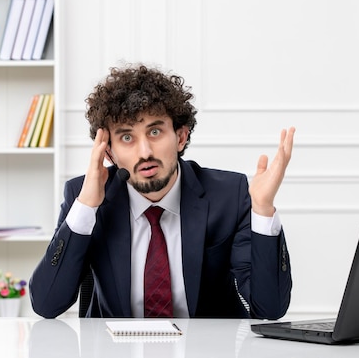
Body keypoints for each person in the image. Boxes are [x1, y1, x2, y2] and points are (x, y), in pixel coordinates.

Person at [29, 64, 295, 319]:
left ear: (180, 137)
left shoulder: (229, 195)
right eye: (126, 137)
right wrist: (86, 207)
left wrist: (262, 209)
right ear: (108, 152)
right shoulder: (85, 195)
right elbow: (46, 304)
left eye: (154, 131)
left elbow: (269, 308)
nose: (144, 152)